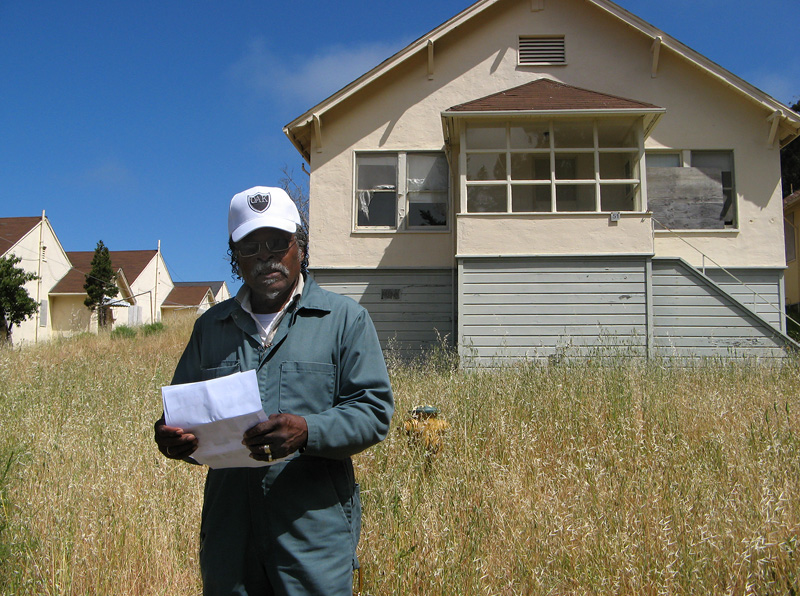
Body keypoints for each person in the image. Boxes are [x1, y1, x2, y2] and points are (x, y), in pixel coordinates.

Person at [154, 186, 394, 596]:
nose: (266, 256)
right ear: (236, 258)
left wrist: (308, 431)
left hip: (314, 540)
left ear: (298, 245)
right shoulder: (210, 328)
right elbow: (181, 415)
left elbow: (373, 412)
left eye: (277, 243)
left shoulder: (344, 320)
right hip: (231, 543)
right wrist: (172, 439)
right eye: (251, 247)